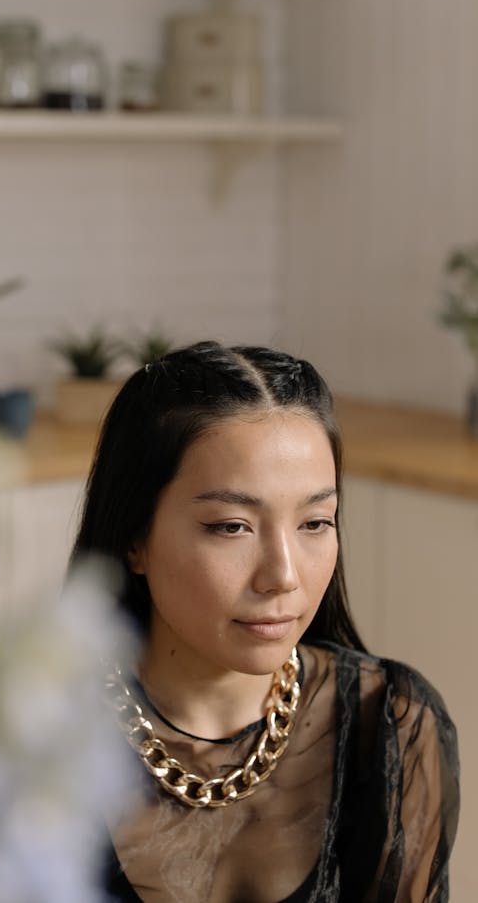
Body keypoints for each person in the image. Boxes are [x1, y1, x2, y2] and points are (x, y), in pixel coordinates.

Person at [67, 342, 459, 903]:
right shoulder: (31, 739)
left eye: (316, 522)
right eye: (231, 526)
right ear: (135, 538)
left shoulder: (390, 724)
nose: (284, 575)